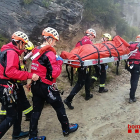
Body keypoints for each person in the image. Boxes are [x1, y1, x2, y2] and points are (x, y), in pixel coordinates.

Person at [28, 27, 78, 140]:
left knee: (36, 111)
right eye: (55, 40)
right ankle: (66, 129)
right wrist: (59, 62)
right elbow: (55, 73)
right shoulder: (49, 53)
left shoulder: (36, 50)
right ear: (50, 39)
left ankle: (32, 136)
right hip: (47, 87)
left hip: (35, 85)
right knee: (60, 107)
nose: (55, 43)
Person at [0, 31, 39, 139]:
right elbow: (10, 72)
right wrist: (29, 75)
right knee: (11, 116)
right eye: (24, 44)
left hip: (8, 85)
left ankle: (16, 133)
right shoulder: (12, 53)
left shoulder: (7, 51)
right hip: (4, 86)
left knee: (17, 110)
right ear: (19, 43)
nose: (24, 47)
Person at [0, 41, 34, 123]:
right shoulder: (15, 55)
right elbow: (14, 72)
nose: (28, 53)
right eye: (28, 51)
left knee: (9, 104)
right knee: (20, 101)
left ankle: (4, 119)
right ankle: (29, 116)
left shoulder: (18, 56)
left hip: (15, 83)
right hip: (13, 83)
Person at [64, 28, 96, 110]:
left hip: (81, 64)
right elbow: (93, 52)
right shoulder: (88, 41)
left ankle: (88, 95)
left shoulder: (81, 41)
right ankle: (68, 99)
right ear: (91, 35)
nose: (93, 39)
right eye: (93, 37)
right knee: (80, 83)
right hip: (83, 65)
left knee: (88, 79)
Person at [126, 35, 140, 103]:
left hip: (130, 64)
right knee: (135, 80)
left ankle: (131, 91)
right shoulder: (138, 46)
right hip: (137, 65)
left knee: (132, 78)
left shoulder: (130, 44)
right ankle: (132, 97)